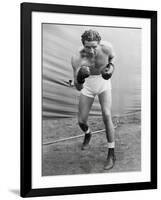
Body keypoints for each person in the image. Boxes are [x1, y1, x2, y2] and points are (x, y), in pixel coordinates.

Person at [71, 29, 115, 170]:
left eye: (94, 46)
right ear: (83, 44)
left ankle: (111, 153)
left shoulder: (107, 48)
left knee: (107, 115)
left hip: (103, 83)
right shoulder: (77, 58)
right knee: (81, 121)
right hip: (88, 84)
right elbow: (78, 87)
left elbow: (112, 58)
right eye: (87, 46)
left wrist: (111, 68)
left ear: (99, 44)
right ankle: (88, 133)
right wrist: (79, 78)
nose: (91, 50)